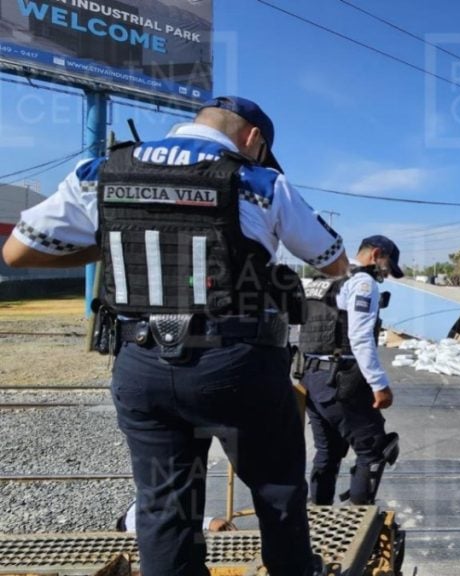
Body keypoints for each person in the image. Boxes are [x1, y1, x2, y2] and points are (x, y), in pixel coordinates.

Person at [3, 95, 348, 575]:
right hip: (237, 366)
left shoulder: (100, 171)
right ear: (253, 138)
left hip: (140, 362)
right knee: (277, 489)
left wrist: (101, 249)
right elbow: (332, 261)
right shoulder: (259, 180)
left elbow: (18, 253)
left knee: (165, 505)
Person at [298, 235, 403, 506]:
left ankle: (315, 520)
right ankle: (359, 525)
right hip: (341, 378)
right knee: (373, 451)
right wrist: (379, 383)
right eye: (387, 265)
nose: (387, 273)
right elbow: (359, 337)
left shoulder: (323, 277)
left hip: (311, 376)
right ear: (376, 254)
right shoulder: (363, 282)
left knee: (328, 452)